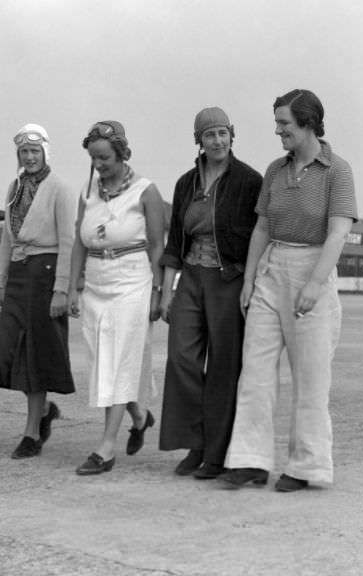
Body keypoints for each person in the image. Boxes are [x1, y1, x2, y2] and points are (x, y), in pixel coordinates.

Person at [220, 89, 357, 492]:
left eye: (285, 124)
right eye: (277, 122)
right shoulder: (276, 170)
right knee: (256, 372)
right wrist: (249, 281)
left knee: (311, 377)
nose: (277, 130)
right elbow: (262, 227)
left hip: (313, 268)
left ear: (309, 123)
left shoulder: (337, 171)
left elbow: (338, 232)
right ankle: (249, 461)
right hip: (271, 269)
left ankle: (307, 465)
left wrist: (315, 284)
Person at [157, 108, 263, 479]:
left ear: (232, 135)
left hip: (228, 277)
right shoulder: (186, 182)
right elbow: (174, 237)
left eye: (222, 133)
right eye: (209, 135)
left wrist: (250, 283)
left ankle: (217, 453)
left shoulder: (250, 180)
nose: (217, 141)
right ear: (198, 141)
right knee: (181, 358)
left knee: (223, 366)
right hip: (190, 277)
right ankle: (195, 443)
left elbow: (258, 238)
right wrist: (167, 290)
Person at [68, 121, 165, 475]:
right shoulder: (88, 191)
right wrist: (72, 287)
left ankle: (106, 448)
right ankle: (138, 415)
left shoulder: (145, 191)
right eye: (93, 158)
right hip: (96, 283)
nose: (98, 165)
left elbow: (157, 246)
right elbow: (79, 240)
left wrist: (158, 292)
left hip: (132, 282)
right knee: (100, 360)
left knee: (119, 360)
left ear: (122, 153)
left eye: (105, 157)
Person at [0, 123, 77, 459]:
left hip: (46, 272)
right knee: (11, 348)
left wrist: (62, 289)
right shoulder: (14, 188)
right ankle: (42, 413)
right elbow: (6, 240)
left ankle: (31, 432)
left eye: (34, 151)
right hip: (19, 274)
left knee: (35, 353)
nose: (29, 157)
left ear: (45, 152)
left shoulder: (60, 190)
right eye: (24, 152)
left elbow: (68, 241)